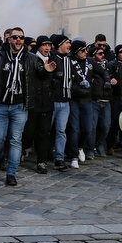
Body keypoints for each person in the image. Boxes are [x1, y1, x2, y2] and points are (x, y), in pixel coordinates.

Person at [0, 27, 55, 186]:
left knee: (15, 140)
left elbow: (39, 74)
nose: (18, 40)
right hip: (0, 105)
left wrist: (46, 71)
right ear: (9, 39)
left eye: (21, 37)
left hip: (20, 106)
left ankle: (12, 173)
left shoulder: (31, 58)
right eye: (15, 37)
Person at [23, 35, 55, 173]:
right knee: (28, 132)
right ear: (39, 46)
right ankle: (21, 150)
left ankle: (42, 162)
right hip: (33, 102)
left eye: (49, 45)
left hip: (47, 103)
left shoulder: (53, 59)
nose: (47, 48)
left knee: (44, 133)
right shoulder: (31, 59)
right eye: (44, 45)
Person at [48, 34, 75, 171]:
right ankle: (44, 155)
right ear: (59, 45)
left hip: (65, 102)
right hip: (53, 101)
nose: (69, 45)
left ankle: (59, 158)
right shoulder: (52, 59)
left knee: (61, 131)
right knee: (46, 130)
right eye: (67, 43)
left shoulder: (69, 60)